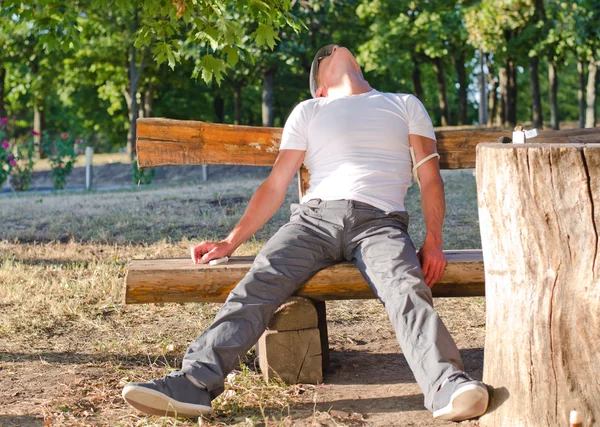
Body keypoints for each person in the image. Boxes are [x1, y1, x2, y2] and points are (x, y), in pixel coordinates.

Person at [122, 44, 489, 422]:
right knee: (260, 282)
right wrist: (231, 241)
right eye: (323, 55)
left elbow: (429, 178)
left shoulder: (403, 103)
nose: (331, 50)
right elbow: (276, 184)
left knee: (406, 288)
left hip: (380, 222)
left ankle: (446, 384)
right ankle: (193, 384)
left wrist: (434, 241)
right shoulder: (309, 111)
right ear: (320, 88)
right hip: (312, 221)